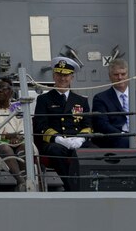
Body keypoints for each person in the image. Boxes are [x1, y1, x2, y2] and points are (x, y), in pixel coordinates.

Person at [34, 56, 96, 191]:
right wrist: (59, 139)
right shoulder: (44, 99)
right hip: (55, 142)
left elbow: (88, 124)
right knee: (55, 150)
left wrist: (80, 139)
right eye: (59, 74)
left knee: (94, 150)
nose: (63, 78)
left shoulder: (81, 100)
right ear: (54, 76)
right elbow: (40, 125)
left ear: (72, 77)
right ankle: (72, 187)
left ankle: (91, 186)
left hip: (77, 140)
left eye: (66, 75)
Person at [0, 78, 34, 191]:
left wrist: (18, 137)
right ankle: (22, 183)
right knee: (5, 148)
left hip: (19, 141)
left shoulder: (19, 107)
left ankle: (28, 182)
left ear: (11, 92)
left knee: (24, 148)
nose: (0, 91)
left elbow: (26, 125)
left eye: (4, 88)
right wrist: (6, 137)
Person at [92, 58, 136, 151]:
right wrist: (128, 137)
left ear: (128, 75)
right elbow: (102, 125)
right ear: (110, 76)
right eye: (116, 74)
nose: (120, 77)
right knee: (123, 142)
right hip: (117, 138)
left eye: (123, 74)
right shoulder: (100, 98)